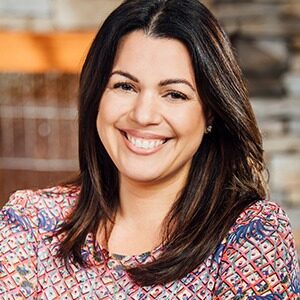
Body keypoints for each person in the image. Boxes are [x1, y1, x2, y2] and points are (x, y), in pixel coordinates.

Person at [0, 0, 299, 298]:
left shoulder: (252, 234)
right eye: (125, 87)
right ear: (97, 96)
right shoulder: (32, 221)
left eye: (174, 94)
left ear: (210, 112)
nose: (143, 115)